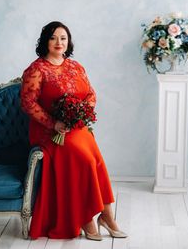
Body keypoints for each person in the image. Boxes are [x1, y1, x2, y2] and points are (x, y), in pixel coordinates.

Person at [20, 21, 127, 240]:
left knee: (96, 160)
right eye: (53, 38)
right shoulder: (37, 69)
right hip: (50, 132)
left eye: (63, 38)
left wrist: (81, 113)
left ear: (68, 42)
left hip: (76, 128)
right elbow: (28, 102)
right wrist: (54, 123)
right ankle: (86, 217)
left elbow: (91, 94)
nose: (59, 42)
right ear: (45, 41)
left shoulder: (75, 66)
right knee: (85, 160)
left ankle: (107, 216)